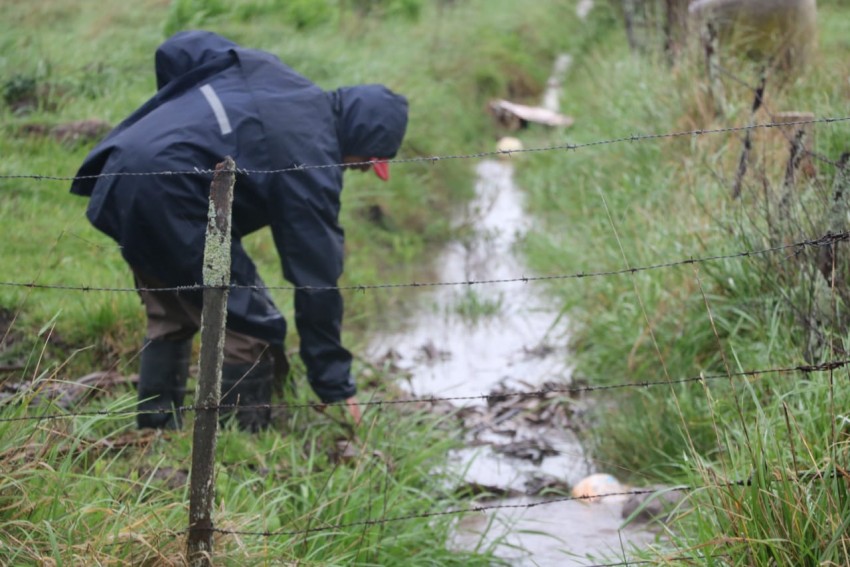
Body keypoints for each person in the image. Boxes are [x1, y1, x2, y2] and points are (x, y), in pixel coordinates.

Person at [70, 30, 409, 432]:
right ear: (361, 137)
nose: (363, 170)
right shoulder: (311, 155)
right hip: (174, 196)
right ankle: (235, 444)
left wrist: (184, 125)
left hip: (122, 170)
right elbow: (316, 280)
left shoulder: (275, 76)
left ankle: (156, 434)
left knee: (172, 309)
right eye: (367, 161)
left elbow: (181, 48)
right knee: (252, 323)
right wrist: (334, 385)